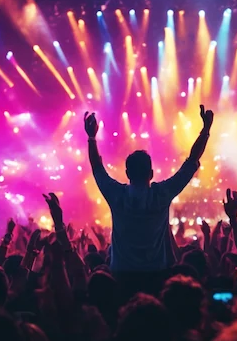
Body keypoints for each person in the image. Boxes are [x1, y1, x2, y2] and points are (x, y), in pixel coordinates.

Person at [84, 105, 213, 295]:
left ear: (127, 173)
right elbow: (191, 161)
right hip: (157, 274)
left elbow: (97, 168)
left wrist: (91, 137)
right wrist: (206, 130)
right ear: (151, 173)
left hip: (122, 274)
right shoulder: (162, 194)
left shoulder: (117, 195)